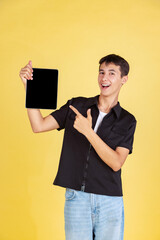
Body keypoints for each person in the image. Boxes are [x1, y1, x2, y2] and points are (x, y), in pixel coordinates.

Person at [19, 54, 137, 240]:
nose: (104, 78)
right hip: (77, 199)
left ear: (124, 79)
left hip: (109, 201)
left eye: (111, 73)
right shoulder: (77, 106)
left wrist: (88, 132)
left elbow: (116, 162)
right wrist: (29, 89)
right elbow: (38, 126)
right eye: (101, 72)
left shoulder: (127, 120)